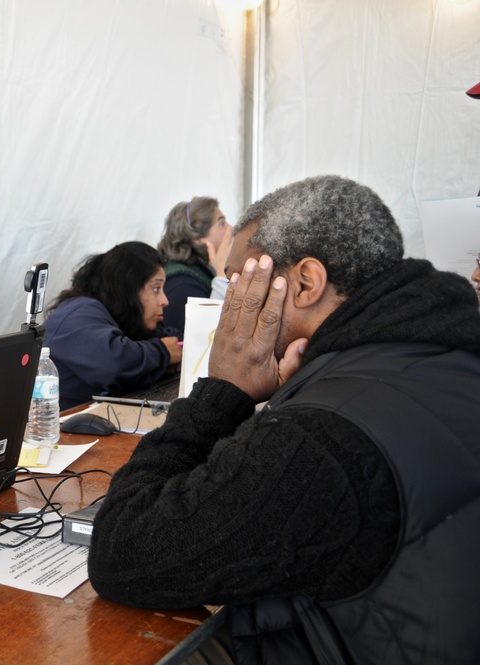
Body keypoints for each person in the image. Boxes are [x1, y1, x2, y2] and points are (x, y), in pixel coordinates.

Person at [87, 175, 480, 664]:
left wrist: (223, 393)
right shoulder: (441, 349)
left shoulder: (324, 437)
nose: (229, 302)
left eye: (236, 281)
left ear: (305, 282)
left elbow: (122, 551)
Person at [42, 241, 183, 410]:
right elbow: (115, 364)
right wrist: (164, 354)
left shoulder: (122, 318)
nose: (164, 300)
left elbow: (171, 338)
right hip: (55, 429)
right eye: (155, 289)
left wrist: (170, 356)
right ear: (128, 288)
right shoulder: (77, 314)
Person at [157, 196, 233, 334]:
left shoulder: (200, 272)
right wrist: (221, 276)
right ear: (197, 238)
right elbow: (203, 340)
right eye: (222, 224)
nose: (231, 229)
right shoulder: (182, 286)